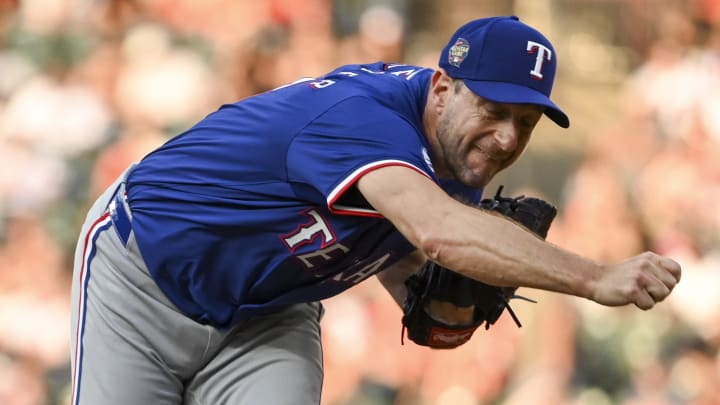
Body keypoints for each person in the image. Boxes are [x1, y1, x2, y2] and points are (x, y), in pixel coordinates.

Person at [69, 15, 681, 405]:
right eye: (493, 111)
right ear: (442, 87)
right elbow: (439, 231)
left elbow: (417, 269)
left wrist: (438, 305)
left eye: (525, 123)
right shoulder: (363, 119)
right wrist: (596, 277)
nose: (505, 138)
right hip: (143, 275)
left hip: (267, 311)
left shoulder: (454, 156)